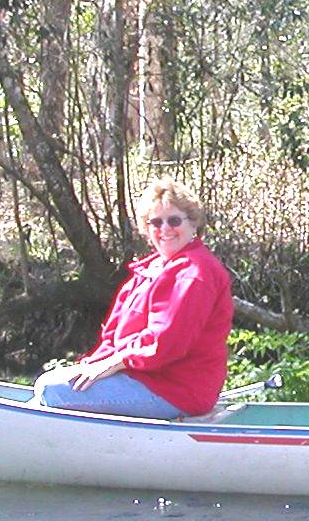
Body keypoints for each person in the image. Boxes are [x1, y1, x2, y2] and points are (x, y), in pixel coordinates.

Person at [34, 179, 234, 419]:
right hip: (142, 378)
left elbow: (166, 342)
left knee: (53, 390)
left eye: (174, 220)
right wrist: (95, 364)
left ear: (193, 225)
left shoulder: (194, 272)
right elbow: (112, 336)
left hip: (177, 390)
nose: (165, 229)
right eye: (156, 222)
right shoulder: (149, 270)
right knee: (50, 386)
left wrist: (116, 362)